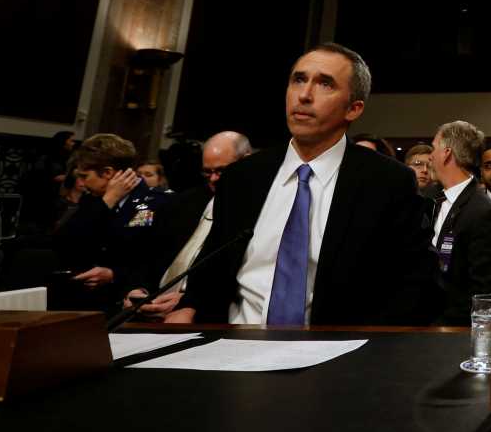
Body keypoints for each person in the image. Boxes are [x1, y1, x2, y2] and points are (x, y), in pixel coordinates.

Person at [169, 44, 429, 326]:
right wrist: (189, 306)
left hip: (334, 353)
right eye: (299, 80)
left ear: (353, 109)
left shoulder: (388, 182)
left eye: (325, 84)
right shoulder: (242, 177)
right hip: (232, 344)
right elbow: (212, 267)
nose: (304, 95)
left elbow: (413, 285)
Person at [125, 131, 253, 320]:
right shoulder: (181, 203)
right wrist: (136, 289)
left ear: (247, 161)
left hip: (202, 315)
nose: (213, 179)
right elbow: (146, 255)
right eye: (207, 172)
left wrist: (190, 301)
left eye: (222, 171)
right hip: (148, 308)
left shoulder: (255, 211)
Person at [52, 134, 170, 309]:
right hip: (80, 300)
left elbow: (156, 260)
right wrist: (108, 200)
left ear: (107, 172)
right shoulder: (93, 200)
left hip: (125, 302)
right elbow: (64, 242)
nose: (82, 183)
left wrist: (114, 274)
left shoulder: (158, 203)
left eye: (85, 176)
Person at [427, 120, 491, 324]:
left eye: (433, 148)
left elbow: (482, 291)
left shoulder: (481, 212)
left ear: (447, 153)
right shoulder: (434, 200)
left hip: (453, 331)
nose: (430, 156)